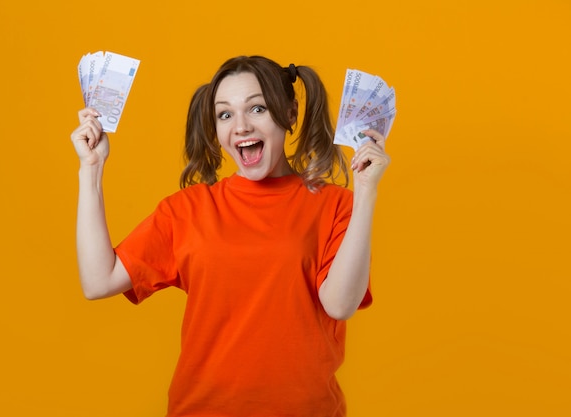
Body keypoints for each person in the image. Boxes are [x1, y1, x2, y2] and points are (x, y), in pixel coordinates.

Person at [70, 55, 390, 417]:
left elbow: (340, 304)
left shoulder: (334, 204)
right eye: (225, 114)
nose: (240, 127)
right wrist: (91, 169)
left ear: (290, 114)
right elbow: (98, 281)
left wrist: (366, 193)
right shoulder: (188, 209)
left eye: (256, 109)